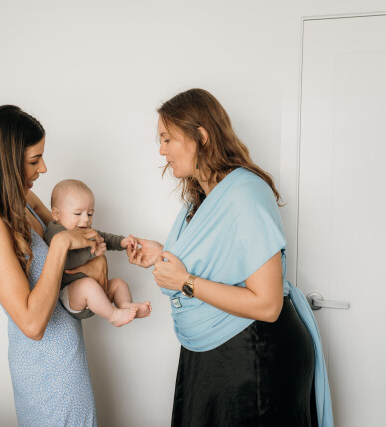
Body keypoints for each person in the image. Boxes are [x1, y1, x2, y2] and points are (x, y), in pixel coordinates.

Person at [127, 89, 333, 427]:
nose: (161, 150)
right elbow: (221, 260)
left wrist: (185, 281)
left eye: (167, 139)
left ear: (201, 136)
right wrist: (162, 255)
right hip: (218, 354)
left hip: (255, 354)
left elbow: (268, 305)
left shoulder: (247, 193)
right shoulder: (201, 199)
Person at [0, 105, 101, 426]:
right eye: (33, 160)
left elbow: (65, 228)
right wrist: (61, 246)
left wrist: (107, 247)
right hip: (46, 373)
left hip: (69, 359)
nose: (43, 168)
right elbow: (31, 324)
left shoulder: (23, 201)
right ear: (5, 162)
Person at [44, 179, 152, 326]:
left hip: (98, 295)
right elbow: (63, 261)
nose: (85, 219)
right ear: (56, 214)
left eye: (89, 214)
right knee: (87, 285)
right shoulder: (57, 233)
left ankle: (125, 305)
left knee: (118, 283)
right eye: (77, 213)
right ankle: (113, 315)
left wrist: (122, 242)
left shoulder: (83, 230)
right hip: (71, 294)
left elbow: (104, 238)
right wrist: (92, 253)